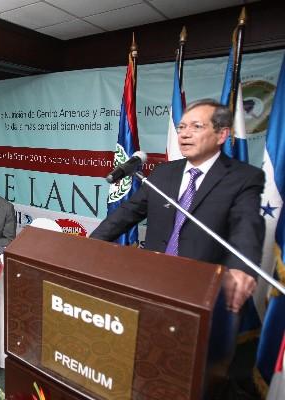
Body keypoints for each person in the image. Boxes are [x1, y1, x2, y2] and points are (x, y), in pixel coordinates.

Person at [91, 99, 265, 313]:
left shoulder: (244, 178)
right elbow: (126, 213)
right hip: (150, 280)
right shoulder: (164, 173)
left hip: (201, 290)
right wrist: (91, 245)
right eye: (181, 127)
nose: (184, 134)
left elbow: (247, 229)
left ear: (222, 135)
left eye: (196, 127)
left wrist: (241, 270)